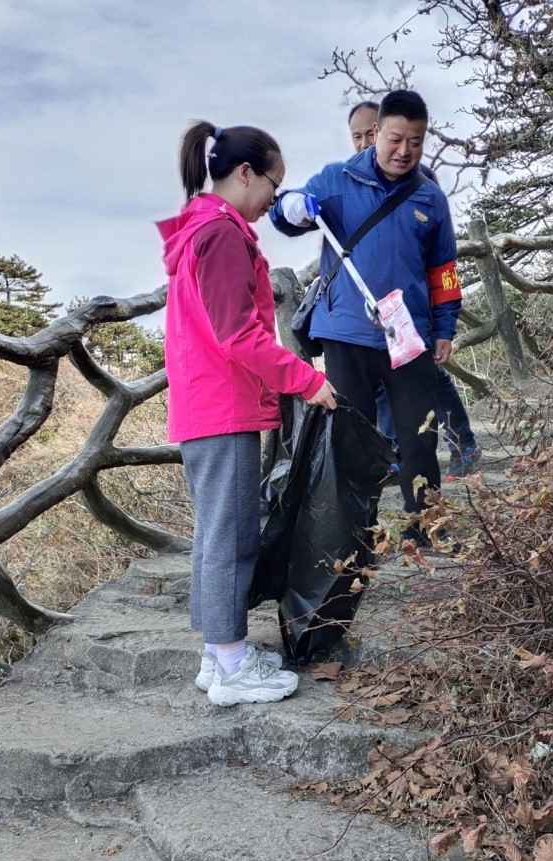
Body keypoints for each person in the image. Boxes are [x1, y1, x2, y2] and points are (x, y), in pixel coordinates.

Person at [159, 121, 337, 707]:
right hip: (222, 404)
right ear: (244, 174)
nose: (273, 200)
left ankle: (219, 655)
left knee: (218, 533)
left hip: (202, 400)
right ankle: (232, 666)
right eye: (272, 184)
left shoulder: (199, 230)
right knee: (230, 535)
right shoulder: (223, 236)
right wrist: (308, 379)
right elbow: (240, 336)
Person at [271, 89, 461, 543]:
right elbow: (283, 213)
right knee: (352, 441)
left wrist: (445, 328)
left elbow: (445, 272)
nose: (404, 151)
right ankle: (353, 537)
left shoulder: (430, 198)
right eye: (396, 139)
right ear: (376, 132)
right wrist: (292, 207)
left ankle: (425, 531)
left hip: (408, 337)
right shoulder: (336, 180)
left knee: (420, 438)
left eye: (416, 142)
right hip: (346, 333)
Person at [346, 101, 482, 479]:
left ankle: (463, 444)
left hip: (413, 312)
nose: (361, 144)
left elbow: (440, 262)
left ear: (379, 131)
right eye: (355, 137)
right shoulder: (352, 183)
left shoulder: (423, 184)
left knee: (431, 379)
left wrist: (443, 325)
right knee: (383, 387)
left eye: (367, 134)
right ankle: (396, 455)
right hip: (373, 318)